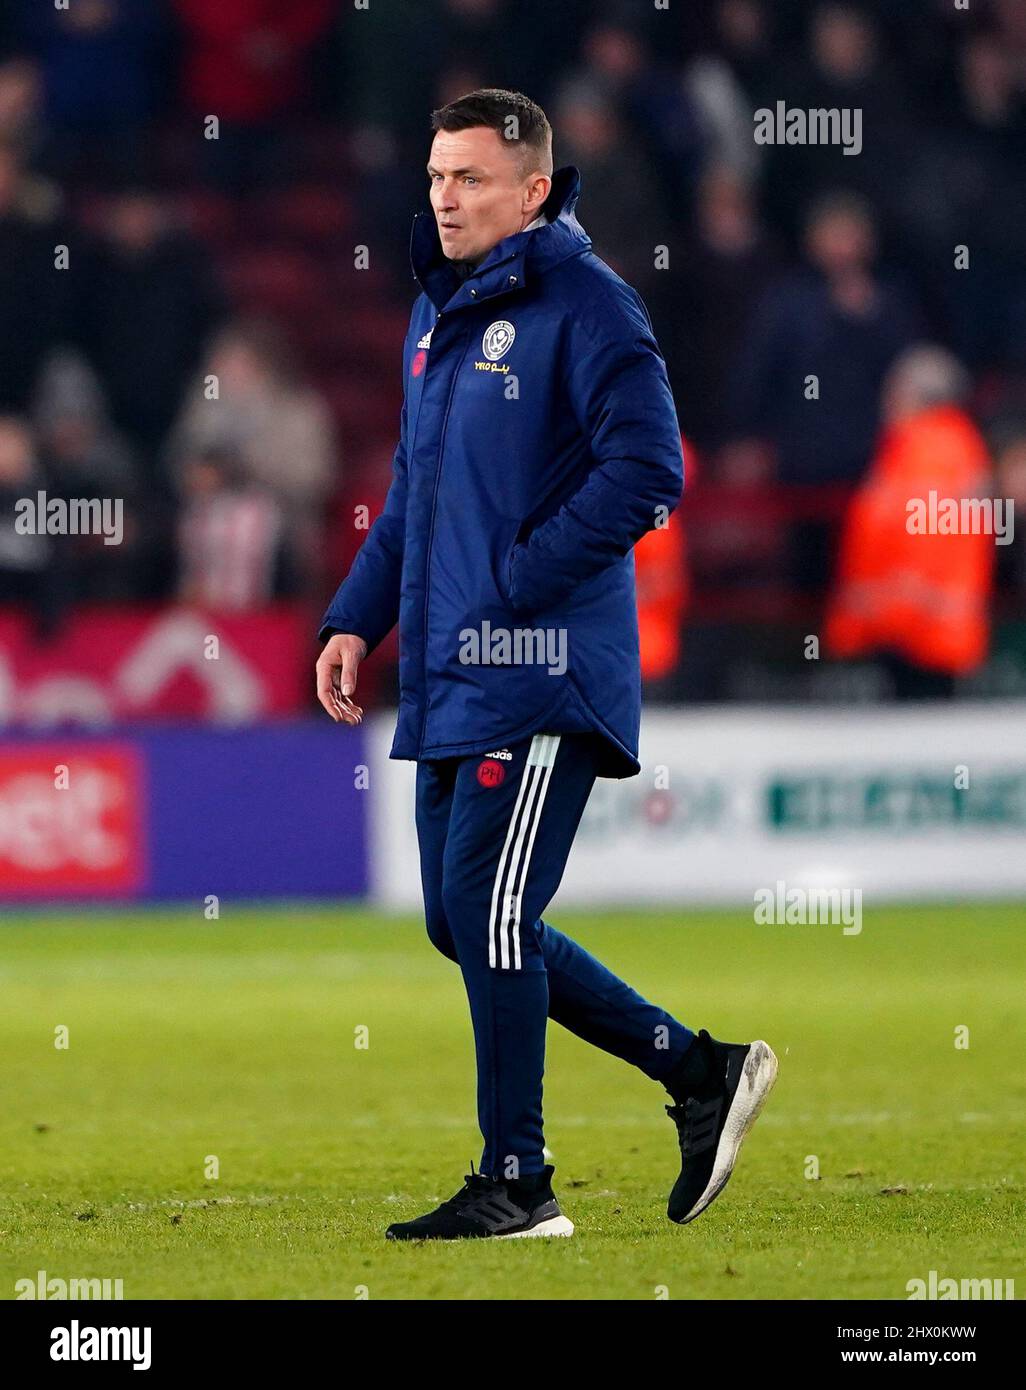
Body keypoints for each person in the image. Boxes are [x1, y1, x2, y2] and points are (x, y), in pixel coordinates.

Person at [316, 89, 777, 1241]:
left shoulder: (590, 306)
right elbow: (418, 499)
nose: (444, 197)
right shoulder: (438, 315)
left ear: (533, 190)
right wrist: (351, 619)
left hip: (541, 667)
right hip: (450, 673)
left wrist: (521, 577)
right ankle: (697, 1069)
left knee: (495, 905)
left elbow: (650, 470)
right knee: (462, 919)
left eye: (468, 178)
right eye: (434, 177)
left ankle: (518, 1180)